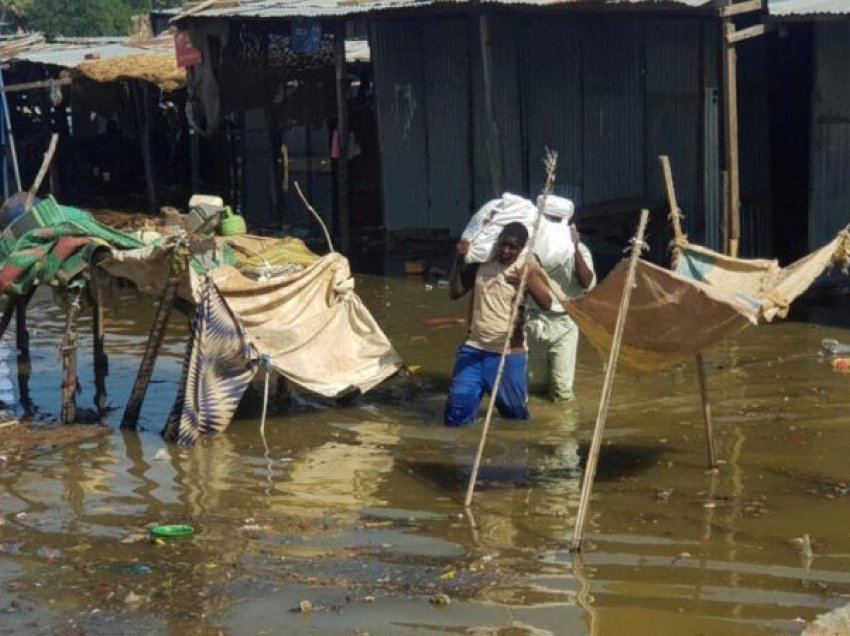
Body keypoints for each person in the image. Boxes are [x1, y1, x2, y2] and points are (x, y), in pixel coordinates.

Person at [444, 222, 553, 427]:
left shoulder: (526, 268)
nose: (505, 250)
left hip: (508, 354)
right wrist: (460, 259)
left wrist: (526, 280)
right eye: (503, 244)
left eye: (512, 247)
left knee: (515, 419)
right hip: (474, 349)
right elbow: (455, 293)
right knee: (456, 413)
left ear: (521, 248)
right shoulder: (482, 263)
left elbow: (547, 303)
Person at [526, 196, 595, 403]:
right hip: (533, 320)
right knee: (534, 386)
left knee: (562, 390)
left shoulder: (578, 250)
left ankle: (563, 432)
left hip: (565, 322)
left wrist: (574, 249)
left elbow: (587, 282)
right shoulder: (529, 249)